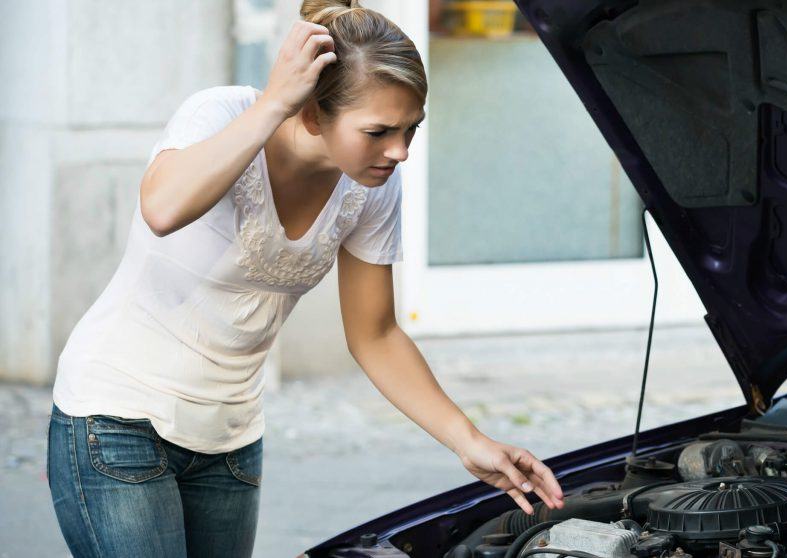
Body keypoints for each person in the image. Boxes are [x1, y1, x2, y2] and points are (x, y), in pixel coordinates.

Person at [45, 1, 564, 556]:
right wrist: (273, 105)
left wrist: (470, 441)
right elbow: (162, 209)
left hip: (231, 439)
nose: (400, 151)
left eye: (411, 129)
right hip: (116, 419)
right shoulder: (221, 114)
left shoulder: (372, 185)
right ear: (313, 113)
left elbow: (376, 334)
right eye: (380, 131)